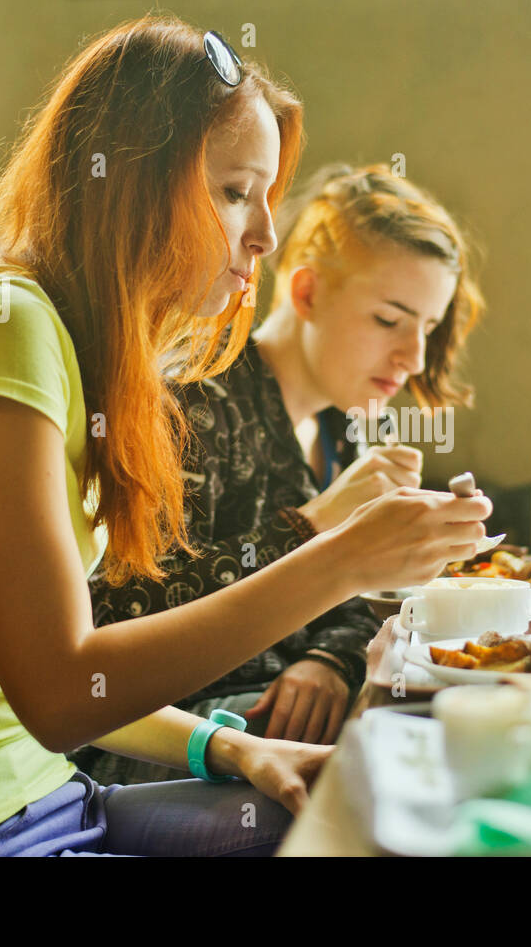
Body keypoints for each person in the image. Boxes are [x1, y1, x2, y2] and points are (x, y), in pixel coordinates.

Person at [0, 16, 491, 857]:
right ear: (130, 182)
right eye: (236, 192)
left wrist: (229, 745)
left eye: (267, 197)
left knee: (382, 817)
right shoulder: (3, 327)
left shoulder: (88, 353)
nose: (265, 236)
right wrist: (337, 555)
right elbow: (60, 691)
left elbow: (74, 674)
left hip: (51, 792)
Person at [75, 165, 483, 785]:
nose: (415, 357)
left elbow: (358, 602)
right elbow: (119, 619)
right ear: (308, 294)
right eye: (388, 319)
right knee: (437, 746)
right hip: (168, 735)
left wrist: (330, 659)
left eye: (426, 327)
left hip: (285, 709)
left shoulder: (340, 425)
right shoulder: (192, 400)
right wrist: (312, 524)